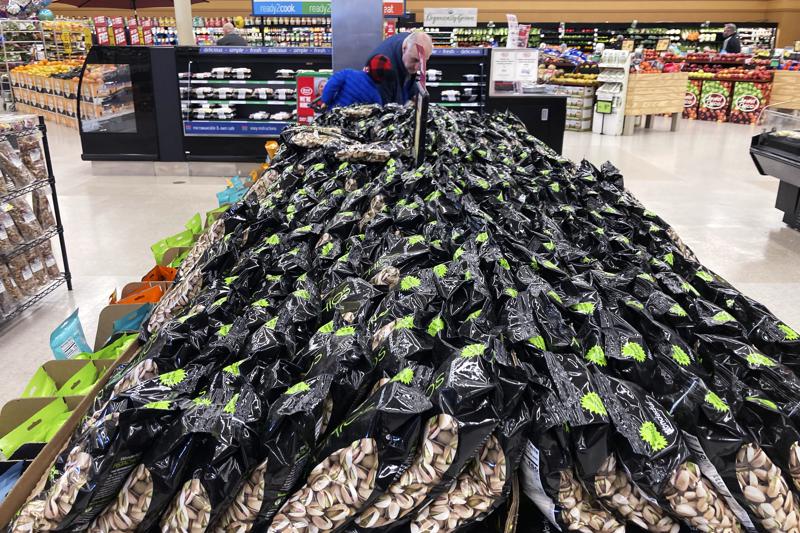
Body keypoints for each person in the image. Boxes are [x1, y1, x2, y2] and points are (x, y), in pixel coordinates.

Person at [364, 31, 433, 105]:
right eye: (415, 60)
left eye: (423, 62)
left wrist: (414, 94)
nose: (417, 67)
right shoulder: (382, 67)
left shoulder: (411, 42)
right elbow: (382, 108)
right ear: (404, 48)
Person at [320, 54, 395, 108]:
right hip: (352, 124)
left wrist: (326, 101)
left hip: (333, 116)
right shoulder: (376, 98)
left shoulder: (348, 73)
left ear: (368, 67)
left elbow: (331, 84)